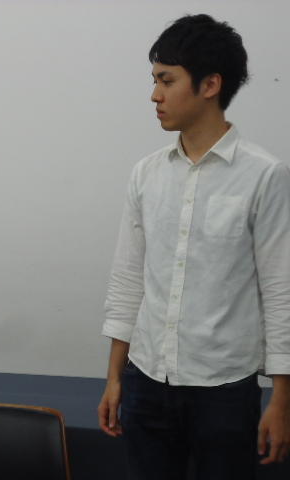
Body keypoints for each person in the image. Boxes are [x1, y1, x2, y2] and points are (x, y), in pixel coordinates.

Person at [98, 14, 290, 479]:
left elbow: (280, 289)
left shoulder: (264, 175)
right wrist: (115, 377)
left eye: (167, 81)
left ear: (210, 85)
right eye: (154, 80)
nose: (155, 95)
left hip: (224, 390)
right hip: (146, 379)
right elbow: (129, 276)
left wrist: (282, 399)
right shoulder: (146, 173)